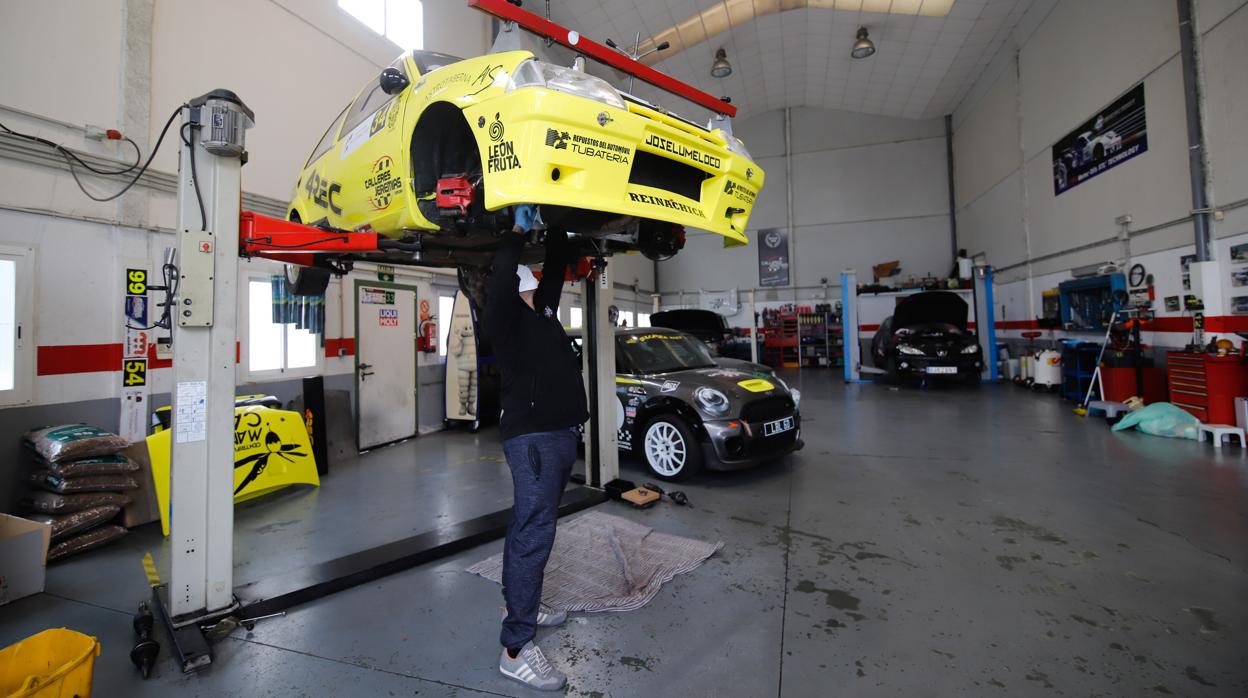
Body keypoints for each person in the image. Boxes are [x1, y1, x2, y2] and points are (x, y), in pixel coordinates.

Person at [482, 204, 588, 691]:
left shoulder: (542, 312)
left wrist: (560, 217)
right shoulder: (503, 317)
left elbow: (560, 266)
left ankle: (517, 601)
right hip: (535, 441)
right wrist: (519, 229)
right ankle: (516, 647)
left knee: (527, 526)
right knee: (533, 534)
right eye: (529, 279)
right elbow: (505, 271)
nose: (538, 284)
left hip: (560, 435)